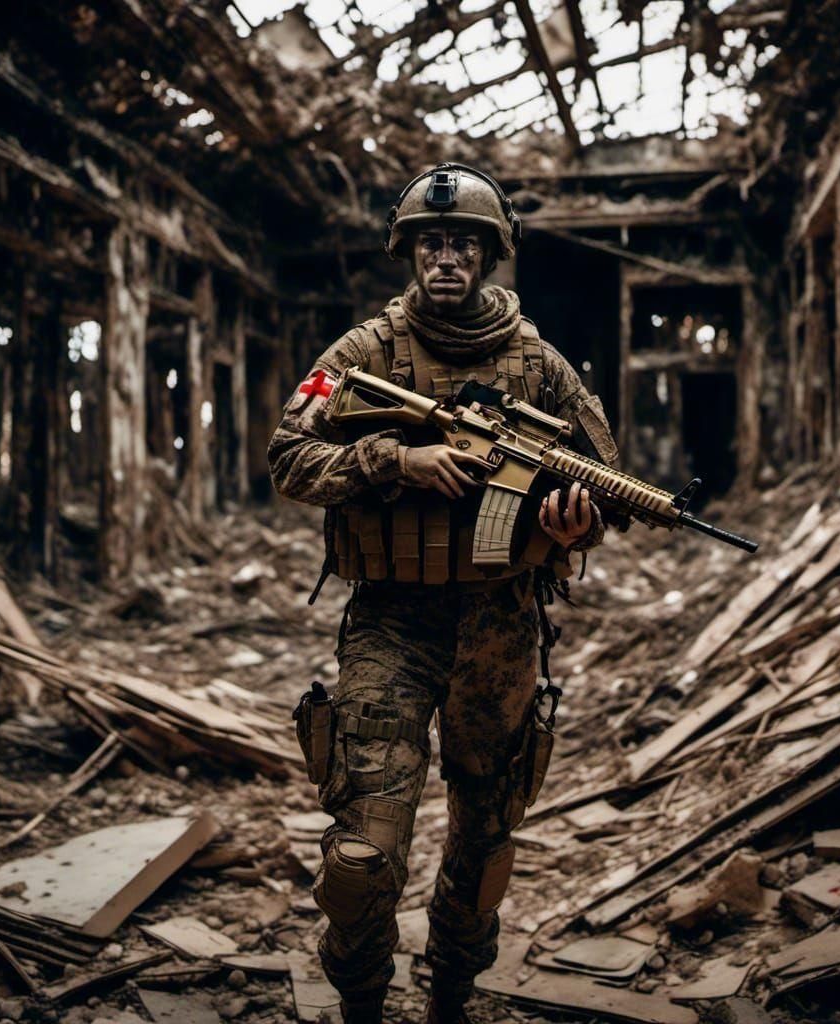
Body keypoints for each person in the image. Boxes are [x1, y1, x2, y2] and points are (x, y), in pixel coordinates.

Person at [268, 163, 618, 1024]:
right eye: (432, 242)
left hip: (502, 624)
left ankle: (453, 996)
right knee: (362, 853)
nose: (447, 257)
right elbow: (288, 457)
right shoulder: (360, 356)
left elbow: (603, 482)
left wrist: (576, 528)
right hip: (390, 621)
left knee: (484, 837)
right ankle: (359, 1001)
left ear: (492, 254)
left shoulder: (539, 367)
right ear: (407, 251)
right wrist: (395, 458)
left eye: (465, 241)